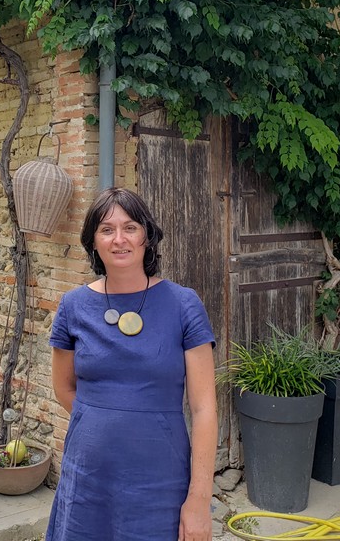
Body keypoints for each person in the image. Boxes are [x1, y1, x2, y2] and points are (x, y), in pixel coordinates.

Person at [47, 187, 217, 541]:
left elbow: (204, 409)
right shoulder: (72, 306)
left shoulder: (184, 305)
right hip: (88, 477)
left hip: (160, 478)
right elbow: (64, 387)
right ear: (93, 241)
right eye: (107, 229)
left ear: (147, 237)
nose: (119, 239)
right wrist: (102, 421)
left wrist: (199, 500)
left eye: (131, 227)